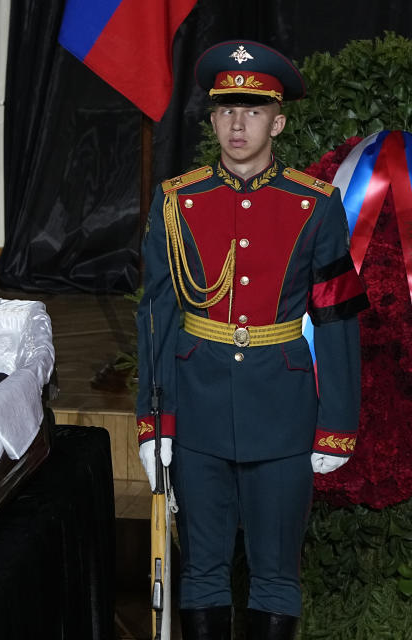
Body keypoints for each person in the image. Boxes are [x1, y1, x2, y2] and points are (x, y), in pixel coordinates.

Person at [135, 41, 369, 639]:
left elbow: (338, 317)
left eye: (254, 110)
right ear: (212, 119)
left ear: (278, 121)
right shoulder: (175, 205)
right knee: (203, 573)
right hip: (199, 403)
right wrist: (154, 422)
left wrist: (336, 424)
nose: (239, 123)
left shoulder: (314, 207)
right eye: (227, 110)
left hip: (284, 410)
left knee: (276, 574)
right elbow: (158, 318)